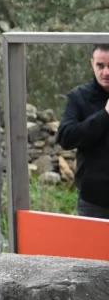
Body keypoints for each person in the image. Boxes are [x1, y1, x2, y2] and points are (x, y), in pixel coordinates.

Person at [57, 44, 109, 219]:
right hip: (94, 202)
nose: (106, 72)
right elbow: (66, 137)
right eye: (100, 66)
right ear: (92, 64)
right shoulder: (78, 97)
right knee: (93, 247)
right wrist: (104, 115)